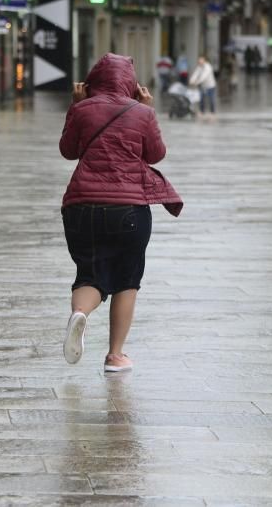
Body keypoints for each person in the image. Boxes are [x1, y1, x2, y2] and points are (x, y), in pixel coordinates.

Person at [59, 52, 183, 373]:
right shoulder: (141, 112)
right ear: (130, 83)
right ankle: (115, 355)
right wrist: (148, 110)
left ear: (91, 82)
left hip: (81, 206)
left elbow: (68, 150)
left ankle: (80, 314)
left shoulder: (83, 109)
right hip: (129, 208)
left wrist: (76, 106)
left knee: (90, 273)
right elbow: (156, 154)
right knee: (127, 279)